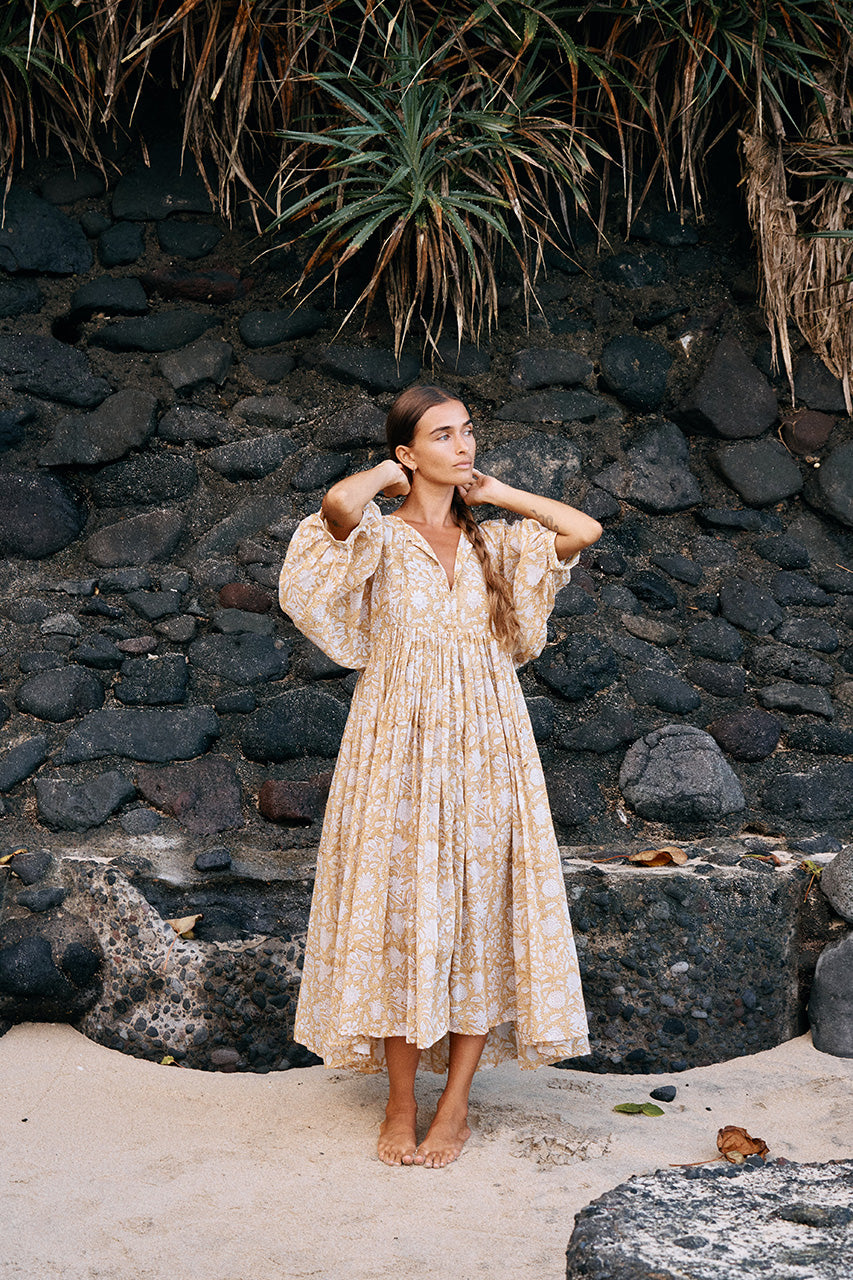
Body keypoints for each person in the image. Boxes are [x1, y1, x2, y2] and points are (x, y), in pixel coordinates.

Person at [278, 385, 603, 1168]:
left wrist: (497, 493)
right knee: (398, 909)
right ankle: (398, 1102)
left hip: (489, 742)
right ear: (405, 451)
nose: (463, 446)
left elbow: (582, 529)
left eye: (468, 433)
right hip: (395, 742)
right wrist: (385, 481)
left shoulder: (499, 543)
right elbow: (332, 514)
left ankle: (454, 1104)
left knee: (480, 910)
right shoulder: (380, 542)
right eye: (442, 435)